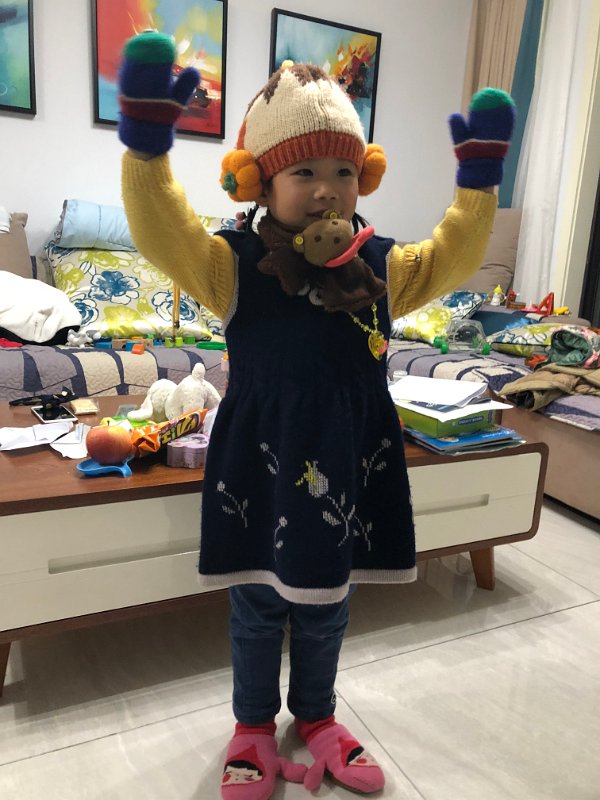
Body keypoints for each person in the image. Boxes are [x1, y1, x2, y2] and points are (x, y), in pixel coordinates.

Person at [118, 32, 514, 799]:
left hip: (344, 457)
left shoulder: (381, 268)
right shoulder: (230, 265)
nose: (327, 190)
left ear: (365, 177)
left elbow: (452, 258)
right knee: (258, 605)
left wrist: (478, 187)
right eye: (304, 171)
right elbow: (163, 230)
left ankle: (318, 715)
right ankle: (252, 726)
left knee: (330, 604)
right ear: (261, 181)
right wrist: (146, 150)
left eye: (343, 171)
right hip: (260, 463)